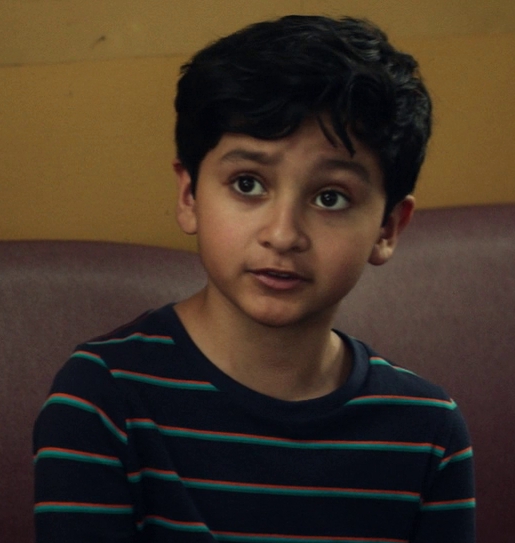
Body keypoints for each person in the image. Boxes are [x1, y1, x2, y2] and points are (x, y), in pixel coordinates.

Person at [33, 15, 475, 543]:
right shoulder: (101, 399)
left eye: (330, 197)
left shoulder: (429, 431)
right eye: (248, 184)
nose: (283, 234)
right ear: (189, 196)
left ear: (387, 228)